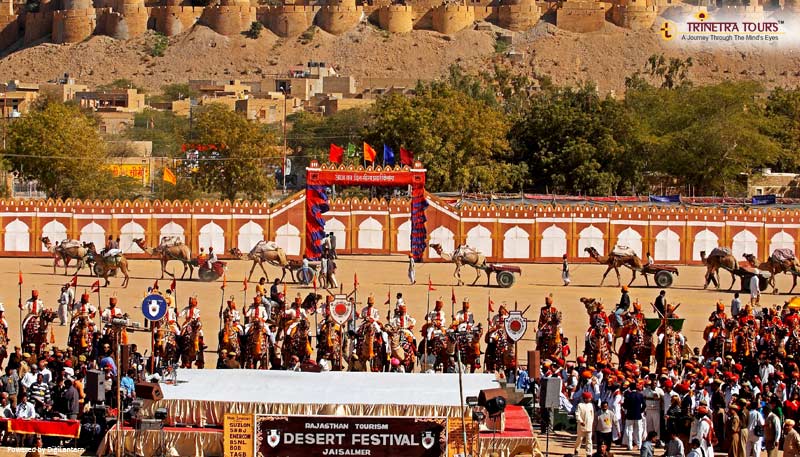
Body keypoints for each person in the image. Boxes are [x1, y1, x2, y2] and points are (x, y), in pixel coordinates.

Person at [624, 382, 646, 451]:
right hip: (638, 415)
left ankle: (630, 446)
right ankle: (639, 445)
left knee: (629, 431)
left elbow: (625, 406)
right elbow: (644, 405)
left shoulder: (628, 395)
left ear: (630, 388)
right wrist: (640, 411)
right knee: (639, 431)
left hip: (629, 415)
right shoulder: (640, 395)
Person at [575, 391, 595, 456]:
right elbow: (577, 414)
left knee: (589, 440)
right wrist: (581, 421)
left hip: (589, 425)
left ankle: (589, 453)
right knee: (579, 439)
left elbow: (592, 415)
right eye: (589, 398)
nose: (590, 399)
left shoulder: (591, 405)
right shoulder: (580, 405)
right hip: (581, 426)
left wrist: (591, 423)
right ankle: (576, 450)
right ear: (585, 398)